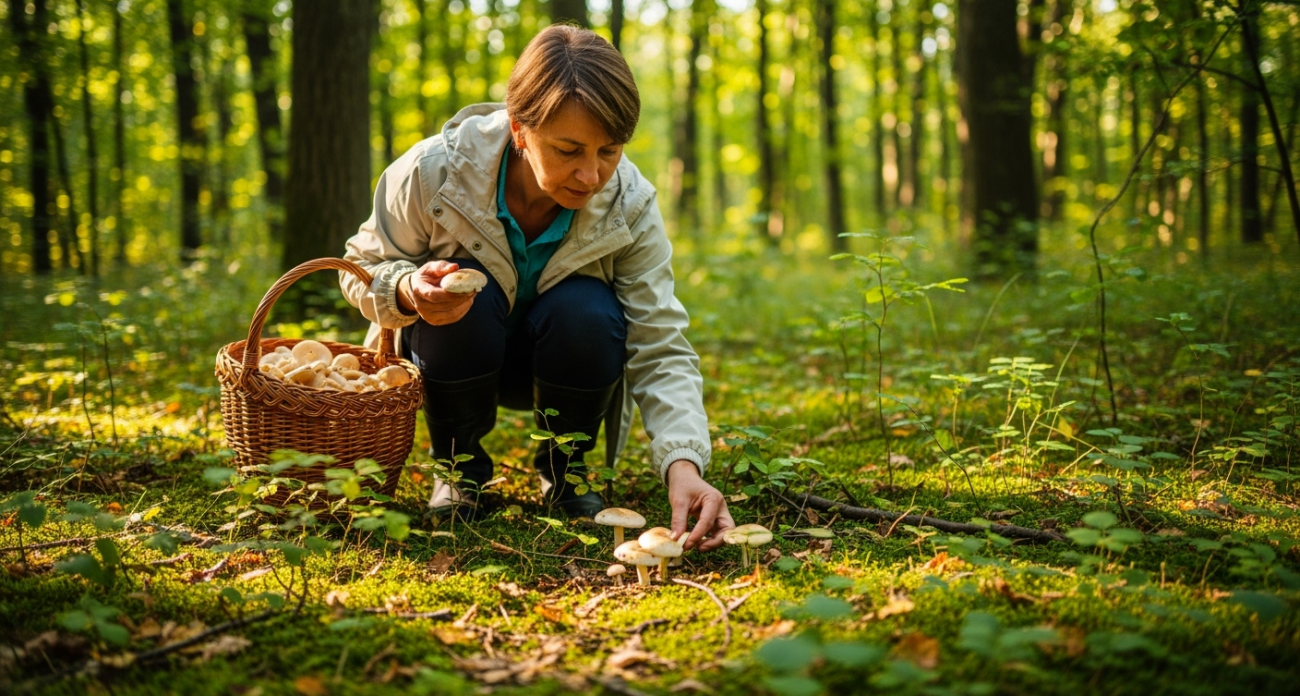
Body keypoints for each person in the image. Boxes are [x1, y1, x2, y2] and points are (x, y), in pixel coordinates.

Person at [339, 25, 734, 552]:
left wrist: (682, 463)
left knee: (587, 310)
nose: (591, 175)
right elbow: (360, 267)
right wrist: (409, 288)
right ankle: (459, 472)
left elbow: (659, 341)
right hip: (456, 355)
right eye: (569, 149)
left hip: (567, 363)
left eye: (609, 151)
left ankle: (568, 474)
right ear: (521, 129)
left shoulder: (630, 204)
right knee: (464, 301)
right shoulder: (433, 172)